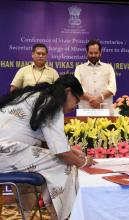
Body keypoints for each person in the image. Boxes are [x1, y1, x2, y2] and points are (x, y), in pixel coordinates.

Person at [0, 74, 95, 219]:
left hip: (7, 153)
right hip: (6, 152)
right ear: (68, 91)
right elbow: (60, 152)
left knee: (56, 162)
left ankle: (33, 213)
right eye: (76, 100)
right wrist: (84, 162)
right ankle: (65, 216)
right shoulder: (53, 102)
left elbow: (50, 143)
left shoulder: (38, 96)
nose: (75, 106)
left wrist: (72, 151)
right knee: (66, 165)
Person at [74, 39, 117, 109]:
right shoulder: (79, 68)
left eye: (96, 53)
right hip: (85, 109)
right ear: (86, 53)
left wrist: (100, 97)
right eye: (91, 53)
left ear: (100, 53)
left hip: (105, 109)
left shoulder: (109, 67)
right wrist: (91, 99)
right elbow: (77, 88)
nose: (93, 55)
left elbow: (112, 88)